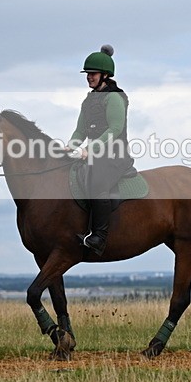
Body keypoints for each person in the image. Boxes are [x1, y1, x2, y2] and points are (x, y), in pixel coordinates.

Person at [66, 44, 134, 256]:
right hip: (93, 153)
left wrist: (91, 149)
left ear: (105, 75)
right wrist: (71, 146)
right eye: (87, 74)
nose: (89, 77)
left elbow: (115, 129)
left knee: (97, 182)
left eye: (92, 74)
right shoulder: (88, 101)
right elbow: (80, 130)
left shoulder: (114, 97)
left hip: (114, 156)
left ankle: (99, 237)